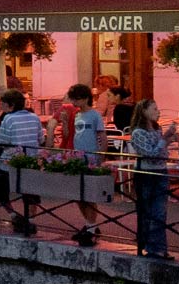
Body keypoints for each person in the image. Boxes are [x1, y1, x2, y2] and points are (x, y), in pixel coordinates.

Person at [129, 98, 178, 259]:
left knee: (160, 212)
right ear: (144, 112)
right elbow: (151, 154)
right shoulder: (138, 133)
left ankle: (158, 248)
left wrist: (168, 140)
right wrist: (165, 140)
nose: (158, 111)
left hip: (160, 171)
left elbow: (161, 153)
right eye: (155, 109)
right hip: (146, 174)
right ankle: (147, 244)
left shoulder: (157, 129)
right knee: (147, 212)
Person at [0, 90, 44, 236]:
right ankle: (31, 220)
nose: (1, 106)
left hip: (11, 162)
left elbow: (3, 141)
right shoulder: (34, 117)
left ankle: (14, 216)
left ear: (11, 105)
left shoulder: (8, 119)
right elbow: (40, 138)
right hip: (31, 161)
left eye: (3, 103)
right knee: (31, 193)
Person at [65, 83, 108, 246]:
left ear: (85, 99)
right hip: (78, 155)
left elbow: (102, 136)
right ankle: (90, 224)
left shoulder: (94, 115)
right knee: (78, 193)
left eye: (76, 99)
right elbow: (70, 135)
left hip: (90, 156)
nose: (74, 102)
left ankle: (91, 225)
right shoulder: (76, 115)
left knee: (89, 193)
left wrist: (101, 155)